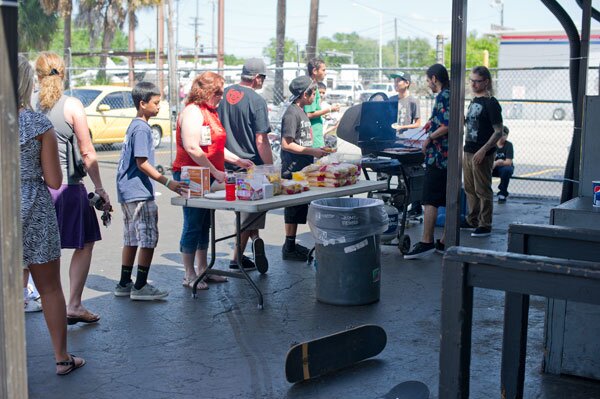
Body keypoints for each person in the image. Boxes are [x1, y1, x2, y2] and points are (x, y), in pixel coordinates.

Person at [18, 54, 85, 375]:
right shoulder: (36, 124)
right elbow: (55, 180)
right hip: (33, 206)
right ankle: (61, 357)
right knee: (49, 288)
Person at [35, 51, 111, 325]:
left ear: (37, 74)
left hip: (38, 188)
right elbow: (87, 151)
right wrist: (100, 188)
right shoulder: (72, 106)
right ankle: (74, 304)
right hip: (68, 187)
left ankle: (26, 298)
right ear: (63, 73)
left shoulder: (28, 104)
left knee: (37, 248)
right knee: (85, 243)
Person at [173, 72, 253, 289]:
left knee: (205, 223)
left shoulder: (210, 111)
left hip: (206, 174)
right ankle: (189, 274)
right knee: (193, 223)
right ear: (205, 91)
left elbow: (216, 147)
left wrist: (239, 160)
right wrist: (215, 172)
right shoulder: (192, 112)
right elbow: (191, 147)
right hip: (191, 175)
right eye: (217, 92)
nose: (221, 96)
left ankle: (203, 269)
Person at [114, 82, 185, 300]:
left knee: (131, 238)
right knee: (148, 238)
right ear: (142, 104)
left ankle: (125, 283)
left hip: (126, 190)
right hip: (139, 192)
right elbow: (142, 162)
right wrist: (167, 182)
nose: (159, 106)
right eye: (156, 102)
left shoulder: (134, 125)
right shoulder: (143, 128)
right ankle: (141, 286)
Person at [217, 58, 272, 273]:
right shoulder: (256, 101)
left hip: (225, 163)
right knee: (253, 212)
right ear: (257, 77)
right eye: (263, 78)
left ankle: (253, 241)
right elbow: (261, 140)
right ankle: (237, 256)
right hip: (250, 165)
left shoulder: (221, 96)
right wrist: (270, 168)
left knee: (244, 212)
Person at [404, 64, 451, 259]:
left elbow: (447, 124)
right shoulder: (450, 94)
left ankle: (426, 241)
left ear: (434, 78)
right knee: (446, 199)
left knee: (430, 199)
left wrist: (430, 138)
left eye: (427, 80)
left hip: (439, 157)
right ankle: (444, 242)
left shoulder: (444, 95)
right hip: (447, 157)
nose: (427, 84)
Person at [281, 75, 328, 261]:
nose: (315, 95)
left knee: (302, 208)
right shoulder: (291, 113)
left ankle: (292, 245)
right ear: (304, 94)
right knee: (293, 209)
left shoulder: (302, 111)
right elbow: (286, 144)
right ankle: (289, 247)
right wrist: (311, 151)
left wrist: (317, 151)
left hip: (305, 168)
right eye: (313, 92)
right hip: (293, 169)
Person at [463, 66, 503, 237]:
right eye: (471, 80)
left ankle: (485, 224)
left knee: (482, 189)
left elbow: (498, 131)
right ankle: (472, 219)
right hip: (469, 149)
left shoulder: (491, 103)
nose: (473, 84)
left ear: (486, 82)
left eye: (477, 81)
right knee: (470, 189)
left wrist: (484, 150)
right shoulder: (473, 101)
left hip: (482, 153)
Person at [388, 71, 423, 217]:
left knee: (406, 174)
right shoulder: (391, 100)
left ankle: (411, 204)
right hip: (392, 141)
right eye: (394, 81)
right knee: (391, 172)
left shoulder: (413, 101)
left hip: (406, 142)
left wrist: (402, 127)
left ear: (407, 83)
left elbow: (418, 123)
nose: (396, 84)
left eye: (399, 81)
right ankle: (396, 203)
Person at [304, 58, 340, 149]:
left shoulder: (315, 87)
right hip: (313, 139)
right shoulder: (311, 88)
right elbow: (309, 114)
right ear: (315, 71)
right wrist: (330, 109)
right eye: (323, 70)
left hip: (317, 136)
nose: (325, 73)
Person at [492, 126, 514, 203]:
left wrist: (497, 162)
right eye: (500, 135)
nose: (502, 137)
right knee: (484, 169)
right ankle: (484, 191)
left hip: (503, 167)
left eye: (504, 135)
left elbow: (508, 162)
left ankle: (503, 193)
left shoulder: (508, 145)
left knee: (507, 170)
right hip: (493, 166)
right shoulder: (492, 144)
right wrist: (495, 163)